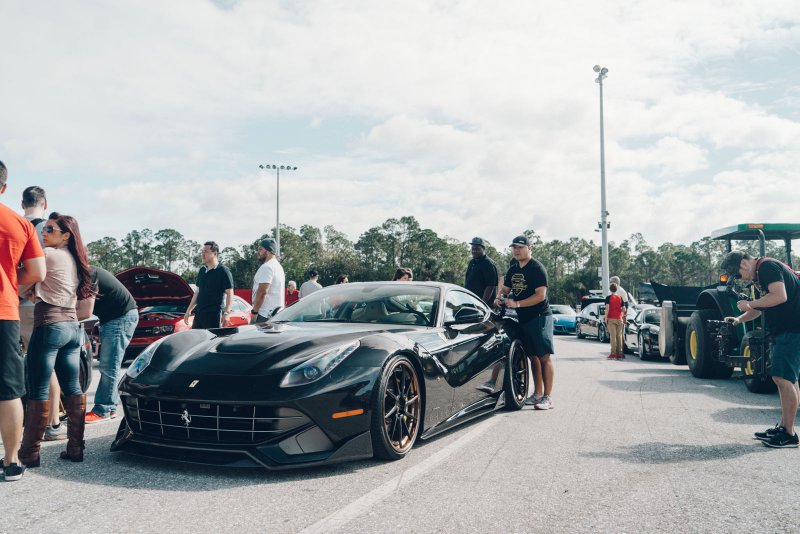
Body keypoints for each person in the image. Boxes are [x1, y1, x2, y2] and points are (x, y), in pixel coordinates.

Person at [19, 212, 95, 470]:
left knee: (38, 389)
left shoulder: (49, 256)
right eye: (45, 228)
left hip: (50, 325)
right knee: (73, 388)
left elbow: (22, 283)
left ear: (66, 236)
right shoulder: (74, 259)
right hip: (73, 329)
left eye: (50, 229)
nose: (44, 232)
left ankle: (29, 454)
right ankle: (75, 448)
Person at [722, 250, 800, 449]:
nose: (739, 279)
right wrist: (739, 318)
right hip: (788, 330)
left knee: (781, 378)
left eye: (737, 274)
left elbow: (779, 296)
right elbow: (760, 307)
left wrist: (749, 303)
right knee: (789, 379)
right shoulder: (761, 276)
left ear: (744, 265)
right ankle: (784, 427)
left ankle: (789, 434)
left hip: (792, 329)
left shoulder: (766, 267)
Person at [0, 161, 46, 481]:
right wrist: (12, 281)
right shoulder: (19, 224)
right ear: (4, 187)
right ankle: (12, 461)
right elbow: (38, 273)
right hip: (4, 311)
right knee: (9, 390)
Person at [18, 185, 64, 440]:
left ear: (21, 202)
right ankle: (52, 423)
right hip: (41, 305)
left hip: (13, 303)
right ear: (45, 203)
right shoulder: (51, 229)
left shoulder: (12, 225)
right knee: (46, 365)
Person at [495, 235, 554, 410]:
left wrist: (518, 303)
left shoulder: (537, 269)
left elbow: (540, 295)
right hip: (524, 318)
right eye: (514, 247)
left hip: (540, 316)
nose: (517, 250)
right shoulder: (513, 269)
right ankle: (537, 394)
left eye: (521, 247)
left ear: (529, 248)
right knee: (532, 357)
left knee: (544, 356)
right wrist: (500, 297)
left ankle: (548, 397)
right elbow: (505, 289)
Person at [84, 266, 139, 423]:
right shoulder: (84, 273)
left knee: (109, 365)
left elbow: (85, 310)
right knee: (109, 364)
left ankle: (104, 409)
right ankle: (110, 408)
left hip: (120, 317)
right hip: (112, 318)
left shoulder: (89, 274)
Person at [184, 241, 234, 329]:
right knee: (197, 341)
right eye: (202, 252)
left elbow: (230, 293)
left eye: (206, 252)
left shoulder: (223, 271)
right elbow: (197, 292)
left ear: (215, 254)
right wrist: (188, 310)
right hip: (199, 314)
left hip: (214, 315)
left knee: (212, 342)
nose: (202, 254)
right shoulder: (202, 270)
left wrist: (226, 313)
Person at [251, 238, 285, 323]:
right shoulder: (278, 267)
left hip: (264, 315)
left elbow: (262, 292)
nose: (258, 252)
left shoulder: (267, 267)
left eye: (261, 249)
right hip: (276, 314)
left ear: (269, 251)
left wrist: (254, 312)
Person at [465, 237, 498, 305]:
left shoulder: (488, 264)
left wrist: (482, 304)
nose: (474, 251)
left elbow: (490, 286)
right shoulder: (472, 262)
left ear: (483, 249)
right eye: (473, 249)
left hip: (483, 306)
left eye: (477, 249)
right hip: (471, 303)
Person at [604, 282, 628, 360]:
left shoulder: (608, 298)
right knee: (619, 336)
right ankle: (620, 353)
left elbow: (607, 309)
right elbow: (624, 309)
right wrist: (621, 314)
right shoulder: (620, 298)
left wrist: (605, 318)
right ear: (616, 289)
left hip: (611, 318)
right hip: (619, 319)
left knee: (613, 337)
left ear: (610, 289)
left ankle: (613, 353)